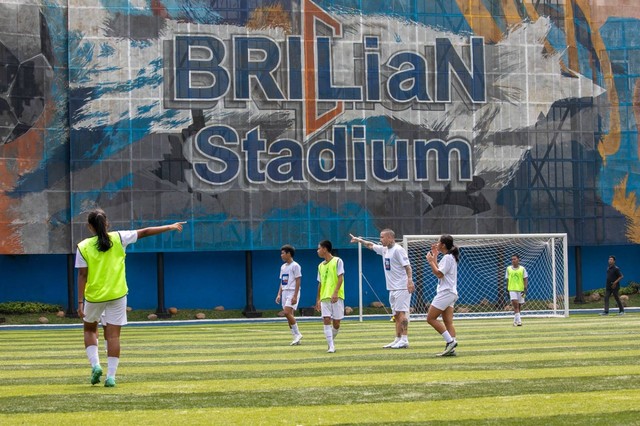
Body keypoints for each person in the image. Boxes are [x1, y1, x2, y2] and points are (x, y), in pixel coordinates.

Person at [76, 209, 186, 387]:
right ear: (107, 223)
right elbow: (145, 232)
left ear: (90, 227)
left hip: (95, 296)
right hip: (118, 294)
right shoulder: (119, 237)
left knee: (89, 330)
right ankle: (111, 377)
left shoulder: (83, 246)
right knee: (113, 336)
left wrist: (80, 302)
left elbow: (82, 275)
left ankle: (95, 365)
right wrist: (170, 226)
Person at [350, 230, 414, 348]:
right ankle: (398, 338)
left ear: (390, 238)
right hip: (392, 288)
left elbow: (408, 267)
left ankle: (405, 339)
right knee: (396, 314)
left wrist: (410, 281)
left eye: (382, 237)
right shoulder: (384, 249)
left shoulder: (399, 250)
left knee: (402, 313)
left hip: (402, 287)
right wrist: (359, 240)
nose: (380, 239)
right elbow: (370, 245)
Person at [425, 234, 459, 357]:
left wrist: (430, 261)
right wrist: (435, 256)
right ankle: (451, 348)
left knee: (430, 318)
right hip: (451, 292)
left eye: (438, 242)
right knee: (448, 322)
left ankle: (450, 342)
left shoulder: (448, 258)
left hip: (446, 292)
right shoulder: (449, 257)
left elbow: (439, 274)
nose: (437, 243)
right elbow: (439, 270)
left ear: (443, 245)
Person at [315, 240, 345, 353]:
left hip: (336, 296)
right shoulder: (320, 266)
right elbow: (320, 283)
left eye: (319, 248)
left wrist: (335, 292)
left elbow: (340, 278)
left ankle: (330, 341)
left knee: (336, 323)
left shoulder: (338, 261)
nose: (317, 251)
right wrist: (318, 299)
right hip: (324, 297)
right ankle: (331, 346)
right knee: (326, 319)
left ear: (325, 249)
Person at [275, 244, 303, 345]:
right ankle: (296, 337)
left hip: (292, 291)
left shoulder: (295, 266)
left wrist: (295, 295)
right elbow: (282, 281)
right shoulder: (282, 267)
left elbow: (298, 280)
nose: (281, 255)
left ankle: (298, 333)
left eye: (283, 253)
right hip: (285, 292)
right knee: (289, 316)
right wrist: (279, 294)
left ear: (289, 254)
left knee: (286, 312)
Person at [506, 254, 528, 326]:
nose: (513, 260)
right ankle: (519, 321)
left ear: (518, 260)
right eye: (512, 259)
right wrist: (507, 289)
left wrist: (525, 289)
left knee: (519, 306)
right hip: (512, 289)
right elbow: (507, 279)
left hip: (521, 289)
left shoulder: (522, 269)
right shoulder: (508, 268)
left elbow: (525, 278)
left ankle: (515, 321)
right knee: (515, 305)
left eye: (514, 259)